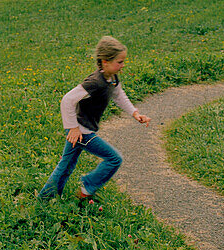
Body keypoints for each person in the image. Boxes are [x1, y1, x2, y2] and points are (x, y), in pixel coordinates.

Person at [38, 35, 149, 202]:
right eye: (119, 62)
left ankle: (46, 198)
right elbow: (67, 100)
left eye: (123, 61)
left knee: (66, 165)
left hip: (82, 128)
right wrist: (73, 128)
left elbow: (118, 95)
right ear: (105, 61)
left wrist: (135, 113)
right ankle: (88, 184)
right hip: (82, 131)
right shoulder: (95, 82)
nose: (122, 65)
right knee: (114, 159)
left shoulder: (111, 79)